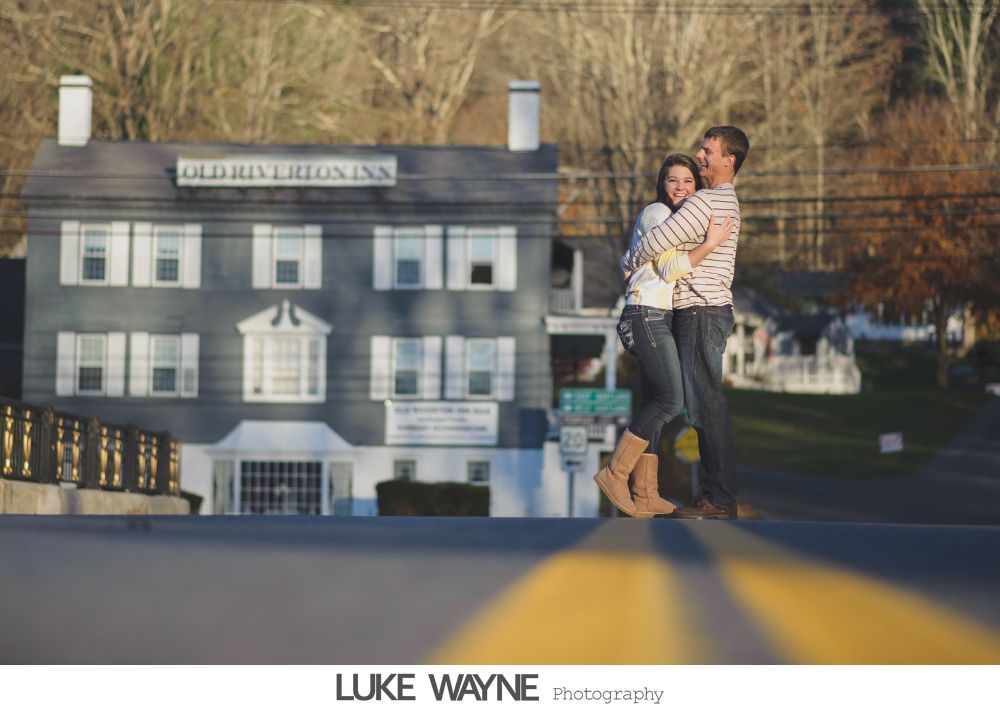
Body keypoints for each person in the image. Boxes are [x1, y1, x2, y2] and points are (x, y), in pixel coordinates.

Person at [620, 126, 750, 520]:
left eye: (708, 151)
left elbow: (653, 245)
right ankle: (649, 492)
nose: (702, 154)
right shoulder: (724, 203)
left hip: (700, 310)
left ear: (728, 160)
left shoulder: (707, 203)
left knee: (702, 403)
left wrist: (629, 261)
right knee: (676, 398)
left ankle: (718, 498)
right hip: (691, 312)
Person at [593, 154, 733, 518]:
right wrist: (712, 241)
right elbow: (670, 268)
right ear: (662, 184)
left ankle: (646, 493)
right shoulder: (657, 213)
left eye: (688, 181)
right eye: (673, 180)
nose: (681, 188)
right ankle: (615, 473)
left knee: (655, 401)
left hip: (658, 316)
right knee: (671, 400)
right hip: (645, 314)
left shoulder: (676, 220)